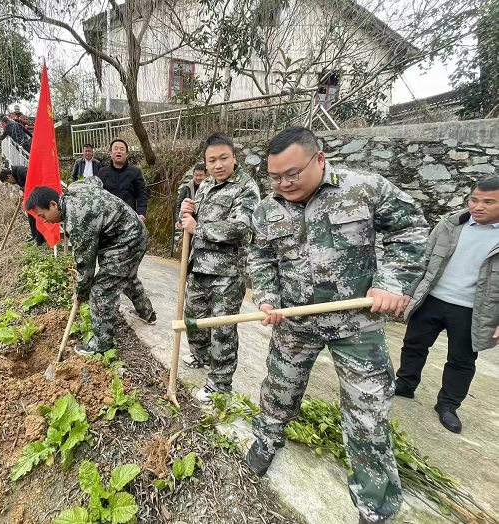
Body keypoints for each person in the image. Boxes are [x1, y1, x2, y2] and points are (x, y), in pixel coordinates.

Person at [246, 126, 428, 524]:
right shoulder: (266, 209)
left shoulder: (364, 188)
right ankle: (267, 437)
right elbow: (260, 258)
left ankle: (375, 504)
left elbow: (411, 229)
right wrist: (266, 298)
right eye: (274, 177)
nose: (284, 183)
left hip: (356, 324)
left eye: (292, 173)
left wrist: (392, 283)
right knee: (279, 388)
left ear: (320, 158)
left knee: (368, 411)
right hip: (294, 321)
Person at [395, 177, 499, 434]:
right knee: (414, 344)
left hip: (472, 309)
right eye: (474, 199)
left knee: (461, 360)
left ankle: (448, 405)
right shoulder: (451, 224)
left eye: (488, 202)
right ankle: (405, 385)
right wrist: (408, 293)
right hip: (432, 299)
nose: (478, 206)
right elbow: (424, 259)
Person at [26, 183, 157, 355]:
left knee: (101, 290)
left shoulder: (77, 221)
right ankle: (147, 313)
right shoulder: (73, 189)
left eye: (43, 215)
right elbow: (96, 181)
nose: (43, 221)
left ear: (53, 205)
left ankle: (101, 346)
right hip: (133, 233)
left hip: (126, 242)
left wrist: (80, 293)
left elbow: (86, 265)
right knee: (125, 276)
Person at [178, 133, 260, 403]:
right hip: (198, 267)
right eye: (212, 160)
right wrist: (188, 213)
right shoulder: (205, 185)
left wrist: (197, 227)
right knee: (193, 319)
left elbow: (241, 228)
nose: (218, 164)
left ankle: (220, 383)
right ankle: (201, 358)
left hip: (227, 273)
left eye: (223, 158)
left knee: (222, 329)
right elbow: (194, 221)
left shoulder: (246, 188)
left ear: (234, 157)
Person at [98, 138, 148, 221]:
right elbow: (98, 195)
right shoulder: (102, 172)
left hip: (129, 218)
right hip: (107, 219)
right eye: (116, 149)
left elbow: (141, 194)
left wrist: (141, 213)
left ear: (127, 154)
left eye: (122, 149)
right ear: (110, 153)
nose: (118, 151)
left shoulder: (135, 172)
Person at [0, 166, 46, 246]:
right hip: (32, 194)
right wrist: (21, 190)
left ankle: (39, 240)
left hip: (40, 191)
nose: (10, 183)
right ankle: (34, 235)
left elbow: (31, 178)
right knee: (30, 214)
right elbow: (23, 184)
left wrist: (24, 190)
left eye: (7, 181)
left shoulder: (21, 171)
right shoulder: (15, 175)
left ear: (9, 176)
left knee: (37, 216)